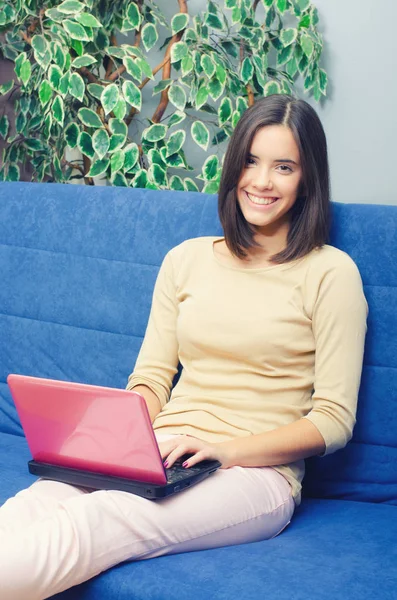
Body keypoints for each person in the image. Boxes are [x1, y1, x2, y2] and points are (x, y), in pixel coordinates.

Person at [0, 94, 368, 600]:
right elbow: (151, 377)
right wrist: (120, 439)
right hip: (161, 451)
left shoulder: (331, 273)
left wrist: (223, 450)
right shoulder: (186, 260)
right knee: (36, 502)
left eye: (283, 167)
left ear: (307, 180)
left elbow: (332, 421)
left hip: (254, 475)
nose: (261, 181)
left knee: (100, 519)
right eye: (251, 161)